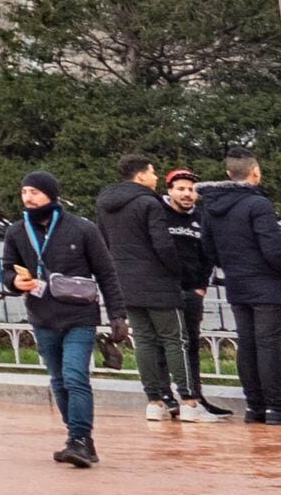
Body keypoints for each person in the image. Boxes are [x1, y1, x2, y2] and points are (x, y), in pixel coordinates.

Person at [7, 171, 112, 464]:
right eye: (24, 192)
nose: (28, 198)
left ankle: (79, 439)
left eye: (35, 192)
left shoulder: (82, 228)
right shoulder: (17, 231)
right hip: (42, 317)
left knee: (75, 376)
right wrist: (14, 282)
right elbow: (6, 269)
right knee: (59, 379)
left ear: (51, 195)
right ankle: (78, 438)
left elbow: (106, 273)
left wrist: (117, 316)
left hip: (79, 315)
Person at [93, 157, 195, 424]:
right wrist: (177, 271)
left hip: (125, 283)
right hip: (158, 283)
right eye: (152, 172)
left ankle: (154, 401)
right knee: (175, 340)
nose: (156, 177)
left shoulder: (105, 204)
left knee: (144, 340)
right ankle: (189, 401)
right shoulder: (149, 203)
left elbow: (103, 242)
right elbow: (162, 244)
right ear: (140, 176)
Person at [203, 153, 281, 422]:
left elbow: (208, 249)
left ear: (228, 174)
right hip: (267, 286)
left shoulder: (212, 206)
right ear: (255, 172)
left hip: (236, 284)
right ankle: (275, 407)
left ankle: (254, 406)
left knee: (247, 344)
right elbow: (273, 249)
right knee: (269, 344)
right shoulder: (258, 204)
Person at [161, 169, 231, 418]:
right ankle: (165, 396)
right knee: (164, 345)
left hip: (192, 291)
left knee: (190, 344)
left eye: (191, 190)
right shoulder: (159, 215)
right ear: (170, 191)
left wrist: (201, 286)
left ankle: (196, 397)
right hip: (165, 291)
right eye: (181, 189)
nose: (187, 194)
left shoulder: (200, 219)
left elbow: (209, 254)